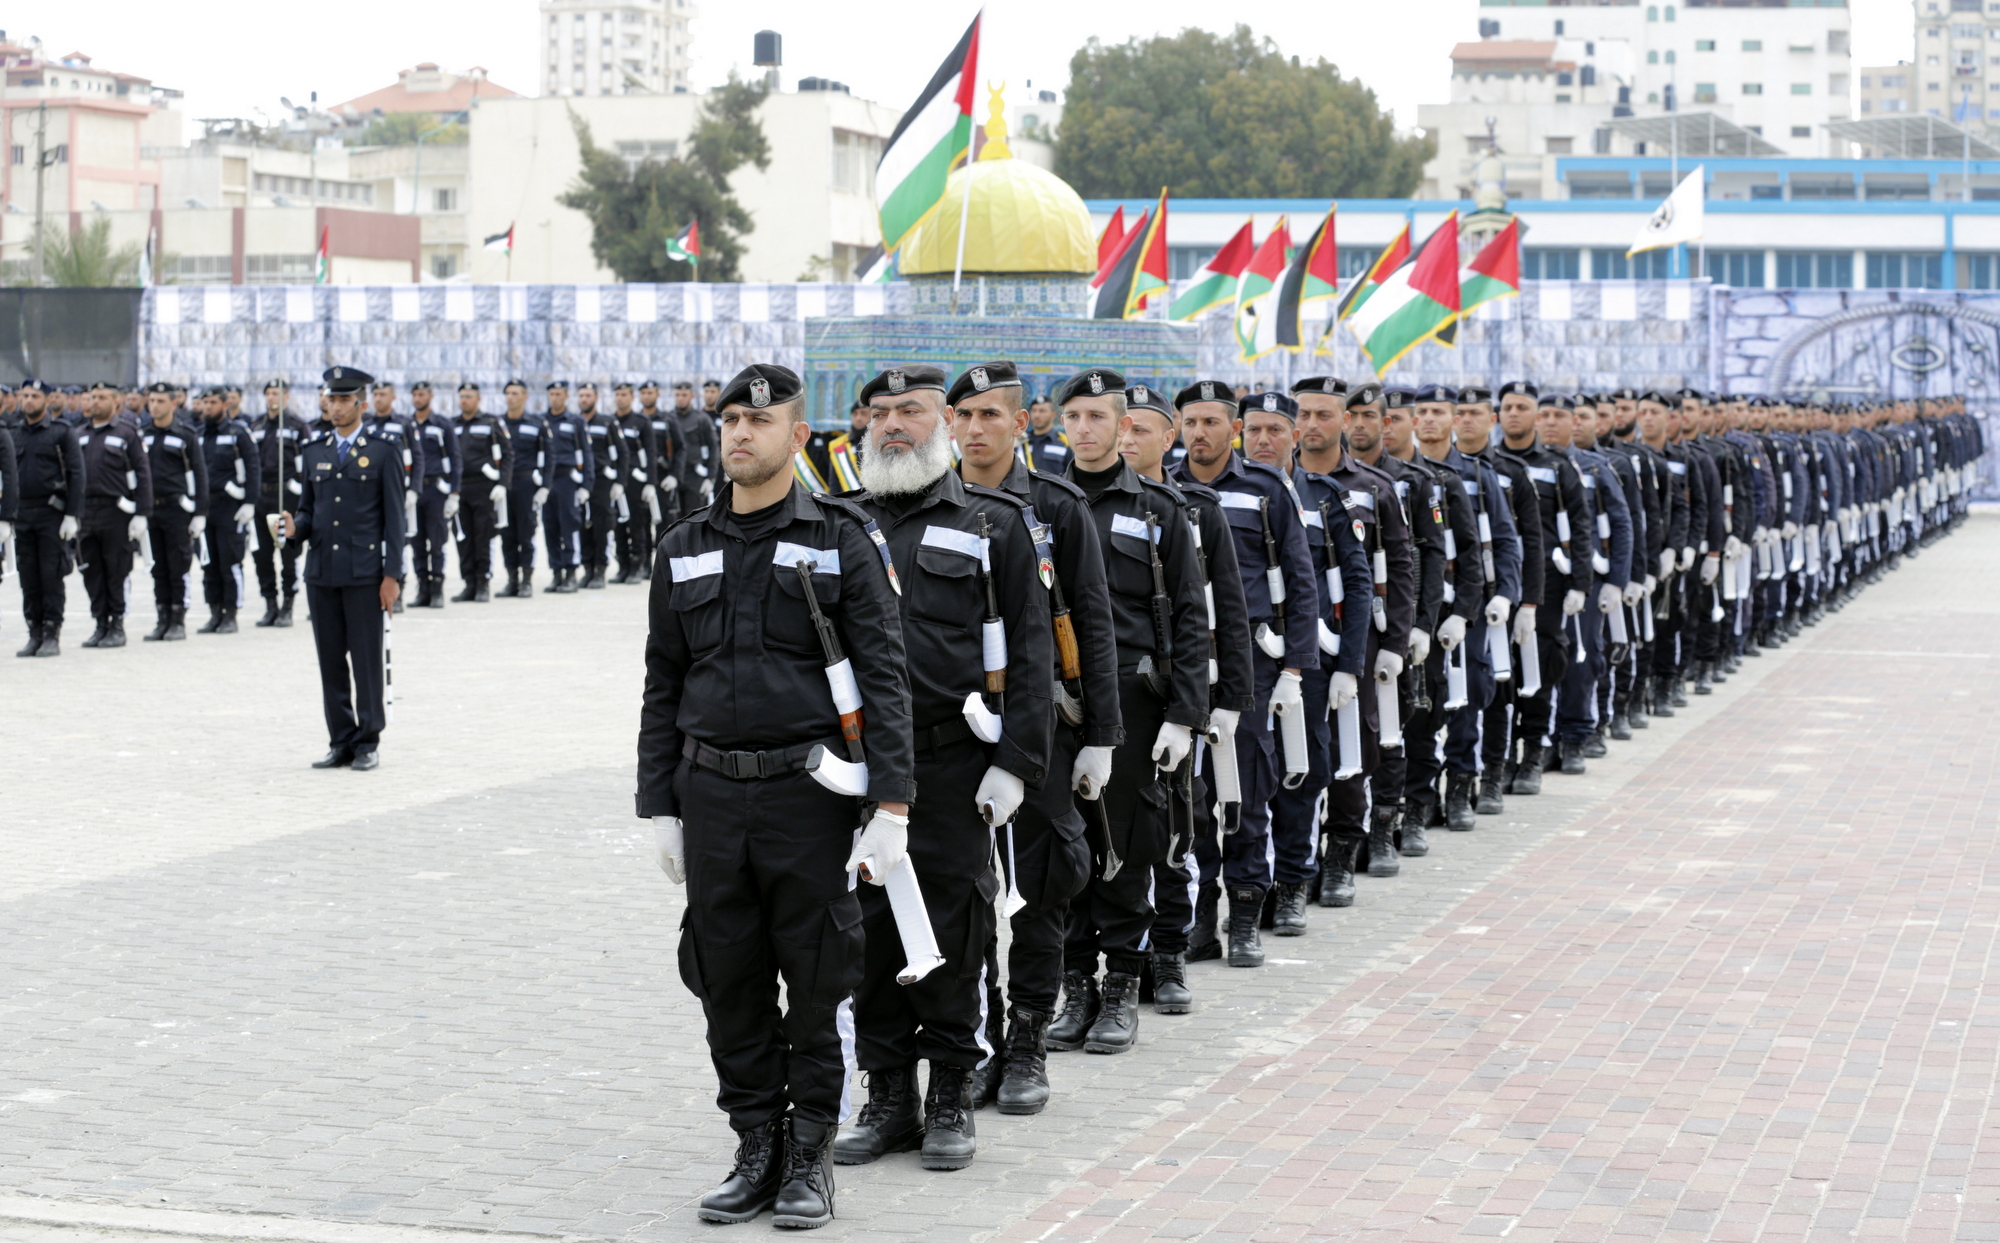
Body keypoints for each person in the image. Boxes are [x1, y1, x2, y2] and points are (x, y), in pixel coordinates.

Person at [637, 362, 914, 1229]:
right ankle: (755, 1143)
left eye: (759, 423)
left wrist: (893, 805)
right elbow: (663, 679)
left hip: (809, 796)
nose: (740, 434)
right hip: (712, 796)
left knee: (817, 979)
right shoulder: (684, 544)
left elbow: (885, 675)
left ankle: (809, 1155)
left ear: (797, 437)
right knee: (728, 980)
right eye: (729, 421)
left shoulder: (842, 538)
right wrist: (659, 805)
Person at [834, 364, 1053, 1174]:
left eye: (912, 410)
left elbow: (1031, 651)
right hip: (859, 770)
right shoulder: (841, 523)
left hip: (954, 763)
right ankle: (889, 1093)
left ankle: (953, 1089)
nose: (893, 424)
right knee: (867, 931)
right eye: (881, 412)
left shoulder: (995, 523)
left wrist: (1016, 763)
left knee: (954, 928)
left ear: (946, 424)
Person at [949, 359, 1121, 1112]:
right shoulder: (936, 503)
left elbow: (1093, 622)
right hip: (955, 733)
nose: (976, 429)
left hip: (1042, 729)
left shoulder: (1056, 506)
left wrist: (1101, 736)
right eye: (964, 415)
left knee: (1041, 893)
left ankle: (1027, 1044)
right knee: (965, 897)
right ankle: (983, 1040)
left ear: (1021, 423)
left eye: (991, 414)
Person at [1049, 369, 1206, 1044]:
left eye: (1098, 417)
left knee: (1124, 850)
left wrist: (1185, 715)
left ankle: (1120, 988)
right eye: (1073, 416)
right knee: (1062, 853)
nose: (1084, 429)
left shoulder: (1157, 510)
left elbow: (1193, 618)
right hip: (1059, 702)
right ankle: (1076, 988)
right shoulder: (1039, 503)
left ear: (1124, 426)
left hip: (1135, 704)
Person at [1120, 383, 1256, 1004]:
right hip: (1111, 694)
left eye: (1140, 428)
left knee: (1177, 824)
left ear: (1166, 438)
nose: (1126, 438)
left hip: (1178, 696)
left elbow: (1226, 607)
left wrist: (1227, 700)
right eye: (1121, 427)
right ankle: (1119, 959)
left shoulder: (1195, 508)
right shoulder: (1073, 502)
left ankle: (1170, 953)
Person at [1290, 378, 1416, 906]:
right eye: (1304, 414)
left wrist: (1397, 642)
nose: (1312, 424)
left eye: (1324, 414)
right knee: (1292, 752)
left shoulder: (1373, 486)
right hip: (1291, 639)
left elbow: (1401, 566)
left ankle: (1342, 853)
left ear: (1345, 420)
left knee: (1351, 748)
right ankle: (1295, 864)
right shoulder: (1279, 483)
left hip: (1355, 638)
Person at [278, 366, 405, 772]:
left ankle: (368, 740)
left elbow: (396, 520)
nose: (335, 407)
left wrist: (392, 576)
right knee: (330, 663)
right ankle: (341, 740)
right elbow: (309, 511)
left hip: (364, 573)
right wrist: (294, 528)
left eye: (344, 400)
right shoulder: (314, 451)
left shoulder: (384, 450)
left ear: (361, 404)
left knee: (366, 661)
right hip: (322, 572)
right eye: (330, 399)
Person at [74, 380, 154, 648]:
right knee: (91, 570)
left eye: (102, 397)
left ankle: (117, 624)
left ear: (115, 401)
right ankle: (100, 623)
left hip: (116, 511)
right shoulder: (79, 434)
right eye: (93, 396)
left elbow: (142, 473)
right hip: (86, 513)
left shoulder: (127, 433)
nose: (95, 401)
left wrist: (142, 512)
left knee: (116, 569)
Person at [6, 380, 80, 654]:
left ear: (47, 400)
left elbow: (77, 474)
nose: (28, 400)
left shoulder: (61, 432)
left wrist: (72, 514)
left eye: (34, 396)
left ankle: (51, 633)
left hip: (52, 514)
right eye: (25, 395)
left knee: (51, 576)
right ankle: (34, 632)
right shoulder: (14, 433)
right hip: (23, 514)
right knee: (28, 578)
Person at [140, 381, 208, 642]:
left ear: (174, 403)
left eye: (160, 401)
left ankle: (178, 620)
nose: (154, 406)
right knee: (158, 567)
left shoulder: (185, 434)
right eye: (152, 401)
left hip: (177, 509)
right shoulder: (142, 433)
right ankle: (163, 618)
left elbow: (199, 474)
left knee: (178, 566)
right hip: (151, 509)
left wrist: (200, 512)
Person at [195, 386, 261, 634]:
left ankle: (231, 615)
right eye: (205, 403)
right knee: (208, 564)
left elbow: (253, 468)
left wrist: (250, 503)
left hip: (229, 507)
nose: (207, 407)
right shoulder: (198, 434)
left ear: (225, 405)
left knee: (230, 562)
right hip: (205, 508)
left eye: (213, 403)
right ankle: (215, 613)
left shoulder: (237, 433)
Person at [249, 380, 309, 626]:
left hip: (286, 498)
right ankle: (270, 605)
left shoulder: (297, 426)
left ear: (286, 396)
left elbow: (306, 463)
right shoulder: (256, 426)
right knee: (262, 556)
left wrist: (297, 488)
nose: (272, 397)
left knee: (288, 555)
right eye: (269, 393)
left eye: (277, 393)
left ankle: (287, 606)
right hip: (261, 497)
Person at [451, 382, 511, 603]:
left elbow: (508, 453)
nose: (464, 400)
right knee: (463, 538)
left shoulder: (491, 422)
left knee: (483, 536)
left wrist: (503, 484)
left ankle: (483, 582)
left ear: (478, 399)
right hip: (460, 488)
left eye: (469, 396)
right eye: (462, 396)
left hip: (483, 488)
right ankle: (469, 583)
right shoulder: (452, 425)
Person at [407, 381, 459, 608]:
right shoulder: (407, 424)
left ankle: (437, 589)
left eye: (422, 394)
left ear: (430, 396)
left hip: (436, 490)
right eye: (415, 395)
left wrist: (455, 493)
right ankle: (423, 589)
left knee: (437, 542)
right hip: (413, 491)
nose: (418, 399)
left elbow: (455, 458)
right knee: (416, 542)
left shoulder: (442, 424)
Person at [497, 379, 547, 598]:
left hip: (526, 483)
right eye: (508, 393)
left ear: (525, 397)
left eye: (515, 393)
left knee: (526, 533)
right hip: (504, 485)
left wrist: (545, 486)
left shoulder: (536, 424)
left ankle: (526, 580)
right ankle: (512, 580)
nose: (511, 397)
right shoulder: (497, 423)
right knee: (506, 534)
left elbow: (548, 456)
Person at [540, 381, 591, 593]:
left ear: (566, 396)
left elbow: (587, 453)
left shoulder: (575, 421)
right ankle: (556, 572)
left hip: (567, 480)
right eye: (551, 394)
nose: (554, 397)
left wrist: (586, 484)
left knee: (569, 526)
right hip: (547, 480)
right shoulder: (541, 421)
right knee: (550, 527)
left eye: (558, 394)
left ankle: (571, 572)